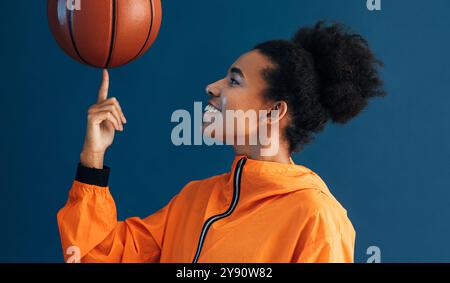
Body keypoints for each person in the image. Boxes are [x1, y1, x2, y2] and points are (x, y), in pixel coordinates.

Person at [57, 21, 386, 263]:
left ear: (274, 111)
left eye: (233, 80)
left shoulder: (315, 216)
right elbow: (94, 256)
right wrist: (93, 157)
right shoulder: (194, 199)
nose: (212, 88)